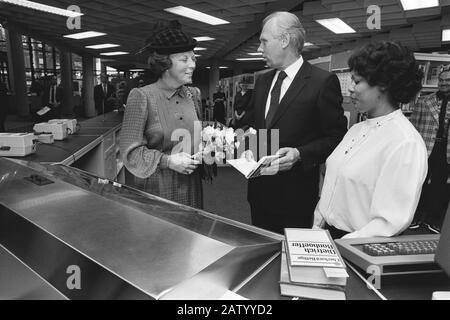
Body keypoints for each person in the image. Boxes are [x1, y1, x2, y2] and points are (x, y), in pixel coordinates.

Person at [242, 12, 347, 234]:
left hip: (295, 197)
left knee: (291, 264)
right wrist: (237, 141)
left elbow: (336, 137)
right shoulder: (262, 81)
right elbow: (253, 126)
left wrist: (300, 153)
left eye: (264, 41)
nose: (260, 49)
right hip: (259, 192)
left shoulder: (322, 82)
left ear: (285, 40)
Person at [313, 41, 428, 239]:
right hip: (327, 237)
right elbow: (332, 189)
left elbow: (388, 223)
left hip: (358, 247)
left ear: (383, 85)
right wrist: (317, 229)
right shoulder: (357, 129)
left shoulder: (404, 143)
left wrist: (340, 246)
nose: (350, 89)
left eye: (357, 82)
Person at [120, 20, 203, 209]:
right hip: (158, 191)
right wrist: (168, 161)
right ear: (164, 63)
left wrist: (209, 146)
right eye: (184, 59)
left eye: (194, 58)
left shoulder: (194, 95)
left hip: (191, 188)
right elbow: (130, 153)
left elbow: (197, 137)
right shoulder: (142, 96)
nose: (192, 65)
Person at [409, 68, 450, 233]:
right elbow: (413, 127)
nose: (444, 83)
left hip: (445, 150)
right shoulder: (424, 101)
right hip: (425, 148)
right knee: (420, 182)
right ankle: (415, 215)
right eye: (441, 80)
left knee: (440, 186)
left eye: (448, 80)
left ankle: (433, 219)